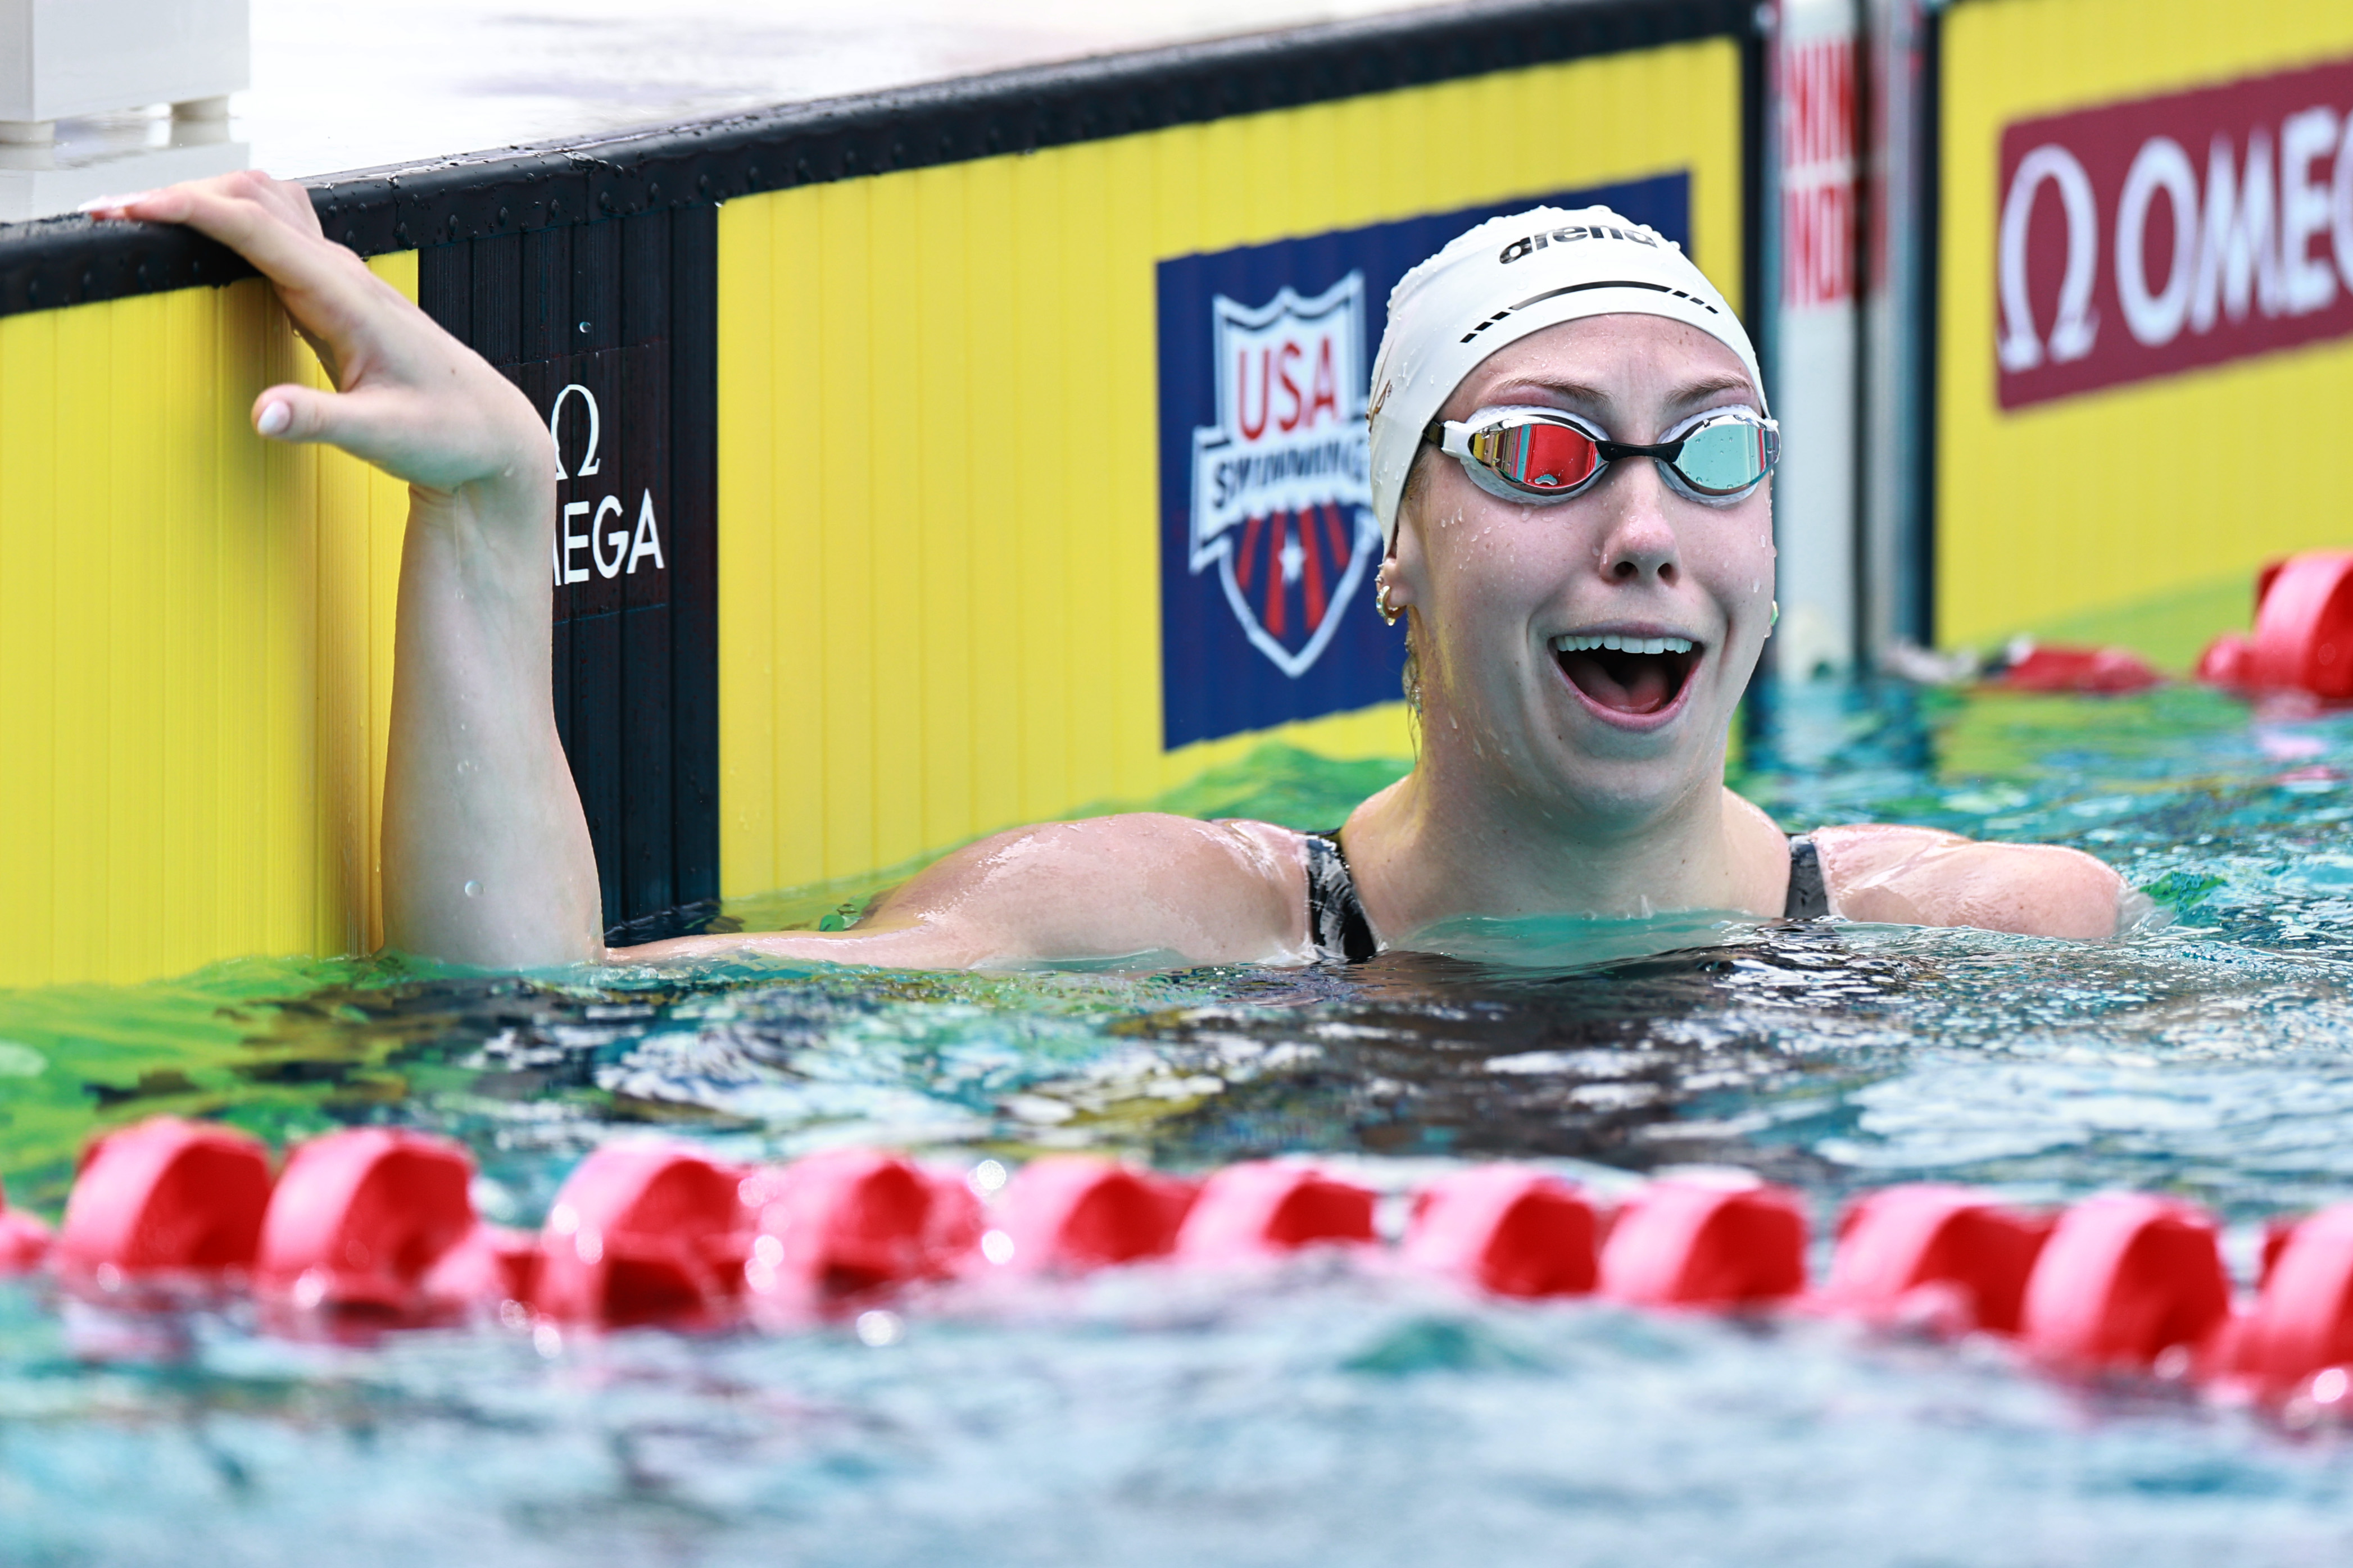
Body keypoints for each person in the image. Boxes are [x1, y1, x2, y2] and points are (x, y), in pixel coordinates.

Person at [90, 175, 2127, 971]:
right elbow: (532, 1037)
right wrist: (493, 515)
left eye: (1712, 451)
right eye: (1536, 451)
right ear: (1390, 559)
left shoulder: (2004, 934)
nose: (1643, 526)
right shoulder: (1135, 925)